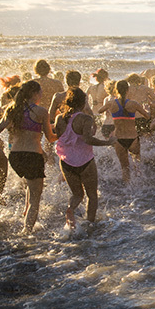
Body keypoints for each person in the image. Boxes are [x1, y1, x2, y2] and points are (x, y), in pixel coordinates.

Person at [0, 80, 57, 232]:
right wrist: (65, 132)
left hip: (14, 156)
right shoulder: (41, 112)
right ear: (35, 94)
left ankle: (25, 214)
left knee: (30, 185)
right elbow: (50, 138)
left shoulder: (12, 109)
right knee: (36, 198)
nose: (42, 94)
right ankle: (27, 233)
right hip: (32, 156)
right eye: (40, 92)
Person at [54, 88, 116, 227]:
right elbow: (88, 139)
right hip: (85, 161)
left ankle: (71, 209)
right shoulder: (85, 119)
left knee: (77, 195)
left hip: (66, 161)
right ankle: (90, 224)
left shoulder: (60, 118)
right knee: (92, 195)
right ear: (83, 103)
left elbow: (60, 137)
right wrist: (107, 142)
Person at [98, 80, 149, 183]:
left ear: (116, 90)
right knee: (137, 166)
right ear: (127, 90)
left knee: (124, 168)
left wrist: (109, 109)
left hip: (119, 139)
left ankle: (127, 189)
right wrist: (146, 108)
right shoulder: (133, 104)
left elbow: (99, 111)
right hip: (133, 138)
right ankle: (139, 186)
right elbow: (147, 116)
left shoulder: (111, 103)